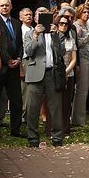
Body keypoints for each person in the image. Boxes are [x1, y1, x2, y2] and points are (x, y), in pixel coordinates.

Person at [22, 9, 67, 147]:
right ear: (36, 19)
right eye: (39, 16)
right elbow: (29, 51)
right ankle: (33, 138)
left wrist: (56, 36)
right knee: (32, 108)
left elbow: (61, 52)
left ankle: (57, 137)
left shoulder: (57, 34)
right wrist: (36, 34)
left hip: (52, 73)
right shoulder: (29, 33)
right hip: (35, 73)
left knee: (55, 107)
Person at [0, 0, 24, 136]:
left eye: (7, 5)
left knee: (16, 99)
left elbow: (20, 43)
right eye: (2, 5)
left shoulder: (17, 23)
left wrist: (19, 58)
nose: (4, 7)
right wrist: (7, 59)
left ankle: (15, 129)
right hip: (0, 67)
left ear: (11, 7)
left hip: (14, 67)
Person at [71, 5, 89, 126]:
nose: (86, 14)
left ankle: (78, 118)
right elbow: (77, 43)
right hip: (80, 58)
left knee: (84, 88)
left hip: (87, 57)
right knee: (81, 89)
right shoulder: (76, 25)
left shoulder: (86, 25)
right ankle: (77, 119)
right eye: (84, 12)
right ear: (79, 13)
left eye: (88, 12)